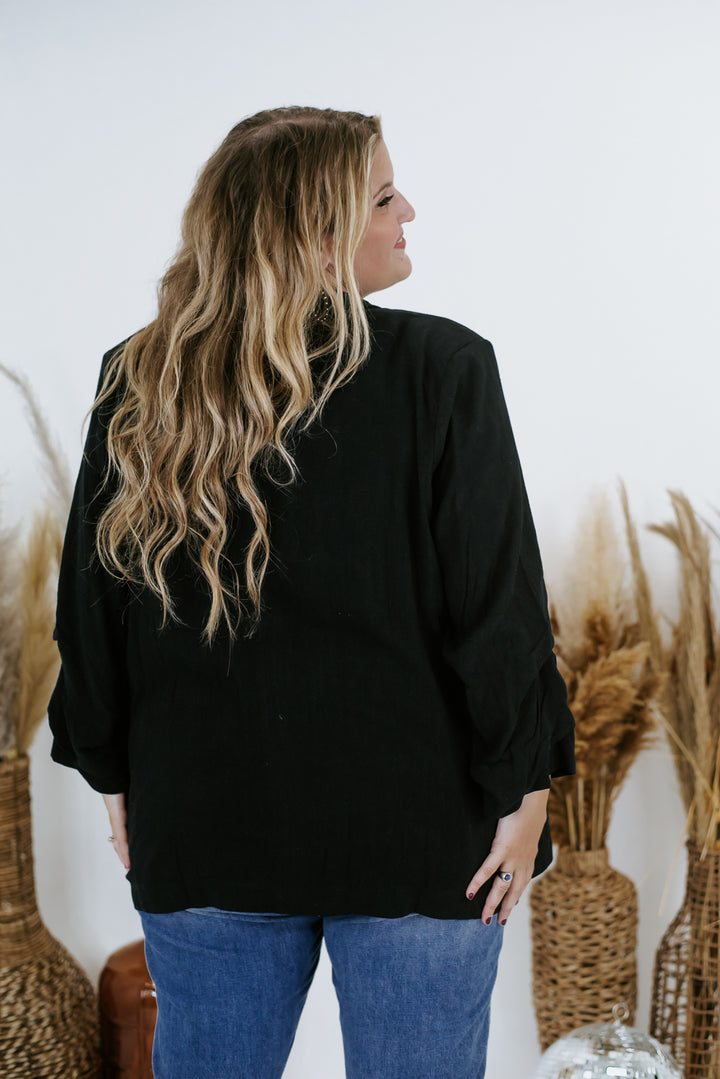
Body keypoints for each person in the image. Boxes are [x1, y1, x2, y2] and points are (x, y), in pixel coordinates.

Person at [49, 106, 575, 1079]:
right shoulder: (445, 367)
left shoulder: (141, 373)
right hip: (422, 827)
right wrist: (526, 784)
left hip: (202, 819)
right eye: (383, 197)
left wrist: (113, 766)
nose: (408, 212)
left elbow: (92, 606)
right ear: (317, 235)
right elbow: (496, 608)